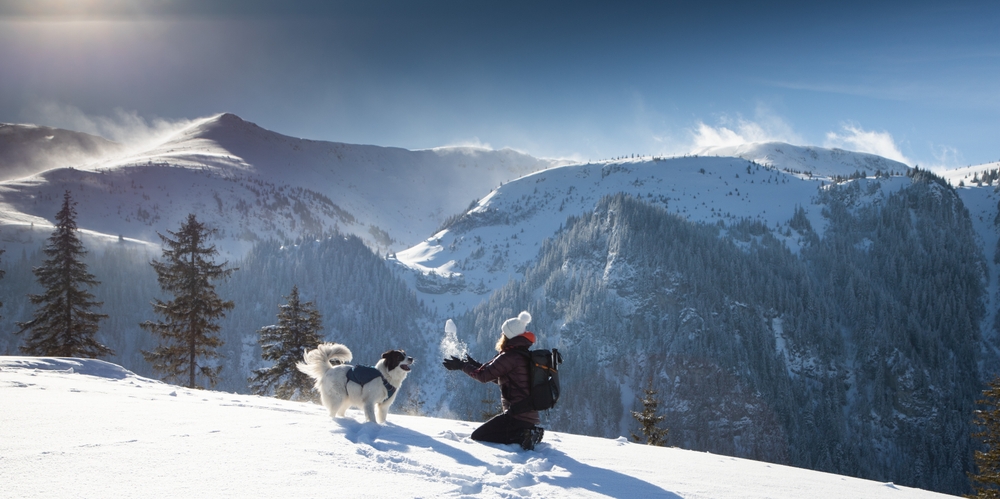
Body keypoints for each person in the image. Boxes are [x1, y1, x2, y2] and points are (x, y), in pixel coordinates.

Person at [442, 311, 545, 450]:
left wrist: (461, 366)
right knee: (488, 433)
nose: (501, 336)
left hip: (517, 416)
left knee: (478, 436)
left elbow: (483, 377)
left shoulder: (509, 356)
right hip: (528, 417)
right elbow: (501, 378)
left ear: (508, 335)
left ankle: (524, 436)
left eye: (503, 333)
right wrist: (477, 365)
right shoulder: (524, 354)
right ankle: (530, 432)